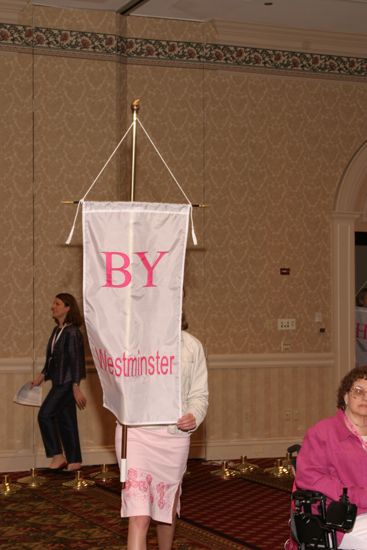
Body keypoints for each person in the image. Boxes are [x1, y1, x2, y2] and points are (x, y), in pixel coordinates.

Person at [115, 315, 208, 550]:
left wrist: (193, 415)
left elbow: (199, 395)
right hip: (136, 433)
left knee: (166, 510)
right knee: (139, 515)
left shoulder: (191, 346)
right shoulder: (130, 344)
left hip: (173, 438)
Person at [295, 366, 367, 549]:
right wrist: (354, 495)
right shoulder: (324, 433)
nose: (365, 397)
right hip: (343, 517)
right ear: (345, 396)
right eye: (358, 391)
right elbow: (309, 477)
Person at [32, 293, 86, 471]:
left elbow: (76, 361)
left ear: (67, 308)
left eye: (57, 303)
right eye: (53, 303)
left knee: (44, 415)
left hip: (67, 383)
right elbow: (53, 359)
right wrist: (42, 375)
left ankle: (57, 455)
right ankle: (75, 460)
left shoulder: (72, 332)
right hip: (58, 381)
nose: (53, 306)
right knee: (66, 420)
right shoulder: (57, 331)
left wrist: (76, 386)